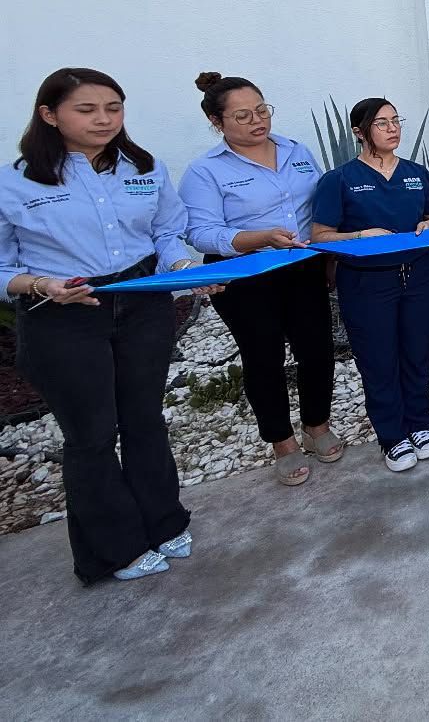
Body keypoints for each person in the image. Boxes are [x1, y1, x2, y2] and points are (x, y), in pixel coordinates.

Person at [0, 69, 202, 583]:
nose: (104, 120)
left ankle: (163, 521)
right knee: (91, 434)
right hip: (64, 313)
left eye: (113, 108)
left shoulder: (142, 167)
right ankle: (113, 548)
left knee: (144, 418)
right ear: (49, 115)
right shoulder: (15, 182)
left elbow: (167, 231)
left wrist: (183, 269)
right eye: (86, 110)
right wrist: (40, 285)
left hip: (141, 303)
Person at [179, 73, 342, 487]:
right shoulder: (205, 171)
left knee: (317, 349)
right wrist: (258, 238)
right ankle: (282, 442)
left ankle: (317, 425)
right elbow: (200, 233)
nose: (257, 120)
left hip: (302, 266)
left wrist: (331, 252)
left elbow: (323, 204)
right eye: (243, 115)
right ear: (218, 122)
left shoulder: (296, 150)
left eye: (262, 110)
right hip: (247, 275)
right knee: (264, 357)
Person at [310, 100, 429, 473]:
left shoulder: (417, 173)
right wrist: (359, 235)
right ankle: (392, 435)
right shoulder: (339, 180)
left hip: (416, 275)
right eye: (381, 123)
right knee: (379, 358)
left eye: (396, 121)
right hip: (367, 282)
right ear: (359, 132)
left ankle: (419, 424)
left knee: (417, 352)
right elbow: (320, 235)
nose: (392, 128)